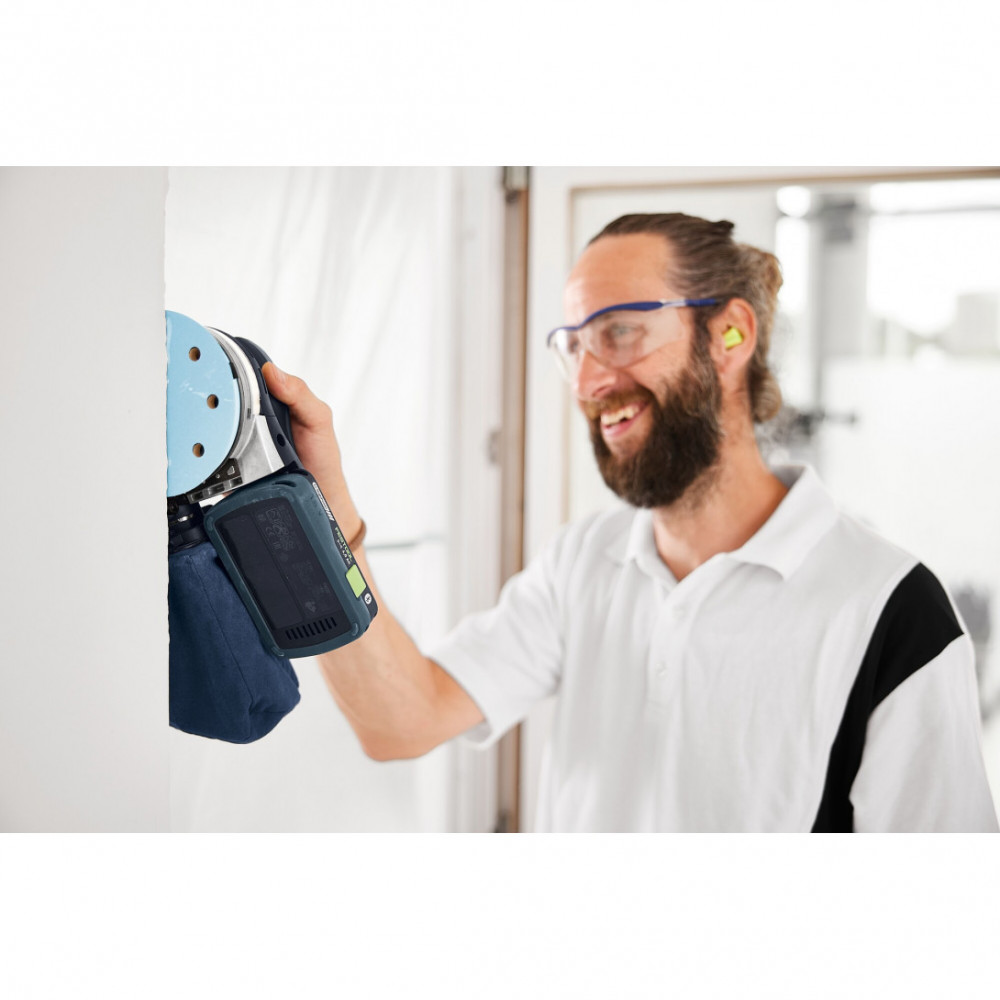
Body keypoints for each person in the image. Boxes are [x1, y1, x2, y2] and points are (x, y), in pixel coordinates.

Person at [261, 212, 998, 832]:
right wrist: (317, 512)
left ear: (730, 335)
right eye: (574, 347)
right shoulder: (585, 561)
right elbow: (401, 719)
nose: (586, 382)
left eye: (618, 332)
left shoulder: (892, 612)